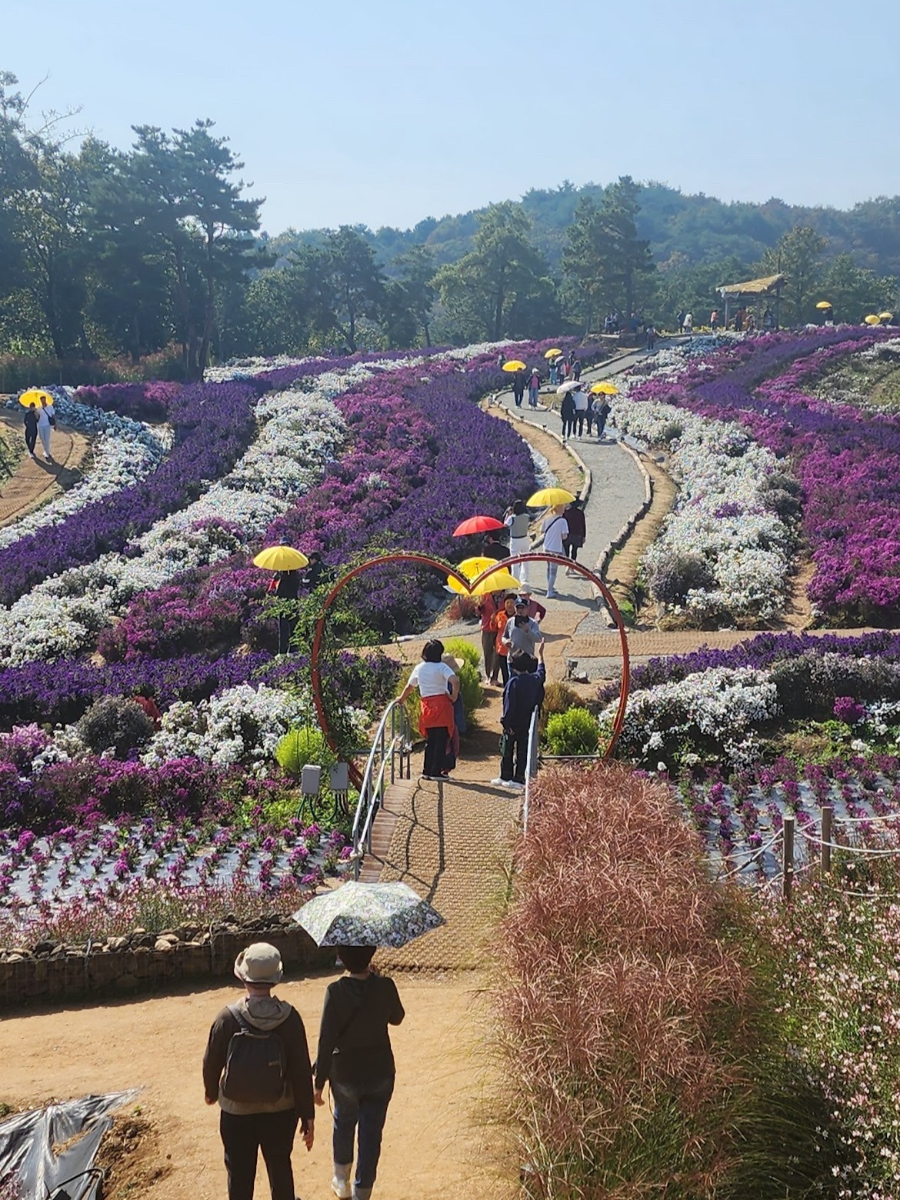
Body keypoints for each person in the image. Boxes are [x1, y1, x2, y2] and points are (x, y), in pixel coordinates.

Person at [203, 943, 315, 1200]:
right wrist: (307, 1114)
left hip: (235, 1112)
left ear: (243, 977)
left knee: (240, 1173)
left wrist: (211, 1093)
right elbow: (300, 1069)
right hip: (280, 1110)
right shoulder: (290, 1019)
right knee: (280, 1167)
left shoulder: (226, 1018)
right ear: (276, 979)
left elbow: (211, 1062)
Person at [314, 945, 405, 1200]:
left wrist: (319, 1081)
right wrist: (378, 982)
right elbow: (397, 1017)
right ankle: (362, 1190)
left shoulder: (334, 991)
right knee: (371, 1132)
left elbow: (326, 1040)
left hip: (344, 1072)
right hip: (380, 1070)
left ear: (341, 958)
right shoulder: (385, 985)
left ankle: (341, 1180)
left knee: (343, 1122)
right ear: (371, 955)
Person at [397, 640, 459, 780]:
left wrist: (401, 699)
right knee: (441, 740)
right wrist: (453, 696)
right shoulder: (442, 667)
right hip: (442, 706)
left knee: (430, 741)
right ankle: (436, 771)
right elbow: (455, 681)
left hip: (427, 707)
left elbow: (410, 687)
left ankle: (426, 770)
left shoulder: (420, 668)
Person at [492, 645, 546, 790]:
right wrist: (541, 654)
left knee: (507, 749)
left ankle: (505, 775)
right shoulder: (535, 679)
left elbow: (509, 706)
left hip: (512, 724)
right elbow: (542, 672)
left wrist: (505, 723)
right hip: (527, 722)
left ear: (514, 666)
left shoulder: (513, 683)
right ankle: (519, 778)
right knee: (523, 750)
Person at [541, 505, 568, 599]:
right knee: (553, 571)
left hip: (546, 547)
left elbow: (542, 531)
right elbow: (564, 536)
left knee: (548, 568)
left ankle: (550, 587)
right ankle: (549, 591)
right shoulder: (563, 521)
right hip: (555, 547)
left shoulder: (547, 518)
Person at [271, 570, 300, 654]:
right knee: (294, 628)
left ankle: (282, 651)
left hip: (283, 606)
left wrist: (277, 582)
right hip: (294, 604)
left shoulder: (283, 579)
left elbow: (278, 593)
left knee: (283, 629)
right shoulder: (296, 577)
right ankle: (293, 650)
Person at [491, 593, 518, 685]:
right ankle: (507, 689)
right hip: (501, 648)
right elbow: (494, 629)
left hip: (515, 649)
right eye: (507, 603)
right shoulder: (500, 615)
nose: (509, 605)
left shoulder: (518, 616)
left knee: (515, 670)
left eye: (511, 602)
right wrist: (492, 621)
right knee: (504, 671)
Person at [476, 590, 502, 684]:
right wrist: (480, 606)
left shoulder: (504, 597)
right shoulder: (485, 596)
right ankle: (487, 676)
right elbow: (479, 613)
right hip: (487, 628)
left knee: (498, 653)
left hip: (499, 629)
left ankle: (495, 677)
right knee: (487, 653)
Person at [504, 500, 531, 586]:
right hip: (524, 538)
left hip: (515, 540)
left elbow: (505, 525)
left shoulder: (511, 518)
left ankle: (515, 580)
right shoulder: (527, 516)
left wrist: (508, 514)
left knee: (514, 561)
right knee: (525, 560)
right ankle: (525, 579)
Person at [563, 499, 586, 573]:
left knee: (566, 550)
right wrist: (583, 536)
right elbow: (583, 525)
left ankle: (567, 564)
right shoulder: (580, 513)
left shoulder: (566, 513)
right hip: (577, 534)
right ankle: (572, 566)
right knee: (574, 551)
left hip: (567, 534)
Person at [37, 396, 55, 462]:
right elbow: (37, 416)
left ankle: (47, 452)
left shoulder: (50, 407)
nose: (43, 401)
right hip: (40, 425)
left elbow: (53, 415)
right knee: (42, 438)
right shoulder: (39, 408)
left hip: (47, 425)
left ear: (45, 400)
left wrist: (55, 424)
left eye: (44, 400)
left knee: (47, 439)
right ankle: (46, 450)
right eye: (42, 400)